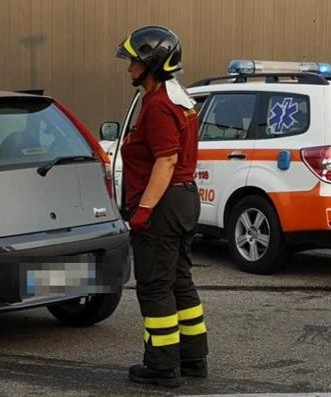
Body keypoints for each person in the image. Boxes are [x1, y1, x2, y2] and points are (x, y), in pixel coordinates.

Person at [114, 26, 209, 388]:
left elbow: (165, 161)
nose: (128, 69)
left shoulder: (158, 107)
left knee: (155, 287)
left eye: (134, 62)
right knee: (180, 282)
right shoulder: (180, 101)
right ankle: (193, 359)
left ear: (151, 64)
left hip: (163, 204)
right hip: (184, 200)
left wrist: (143, 211)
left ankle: (162, 367)